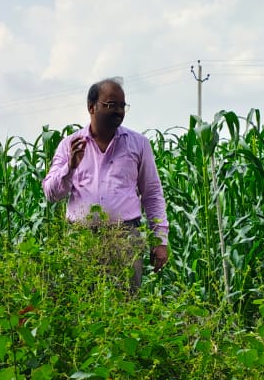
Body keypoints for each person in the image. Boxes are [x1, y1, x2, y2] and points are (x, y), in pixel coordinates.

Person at [42, 78, 169, 287]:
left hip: (125, 238)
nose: (119, 110)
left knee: (126, 307)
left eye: (122, 105)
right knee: (81, 304)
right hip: (81, 239)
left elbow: (152, 194)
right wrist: (70, 167)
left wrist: (160, 240)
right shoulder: (70, 145)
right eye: (111, 105)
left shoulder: (138, 144)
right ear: (92, 107)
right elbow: (51, 193)